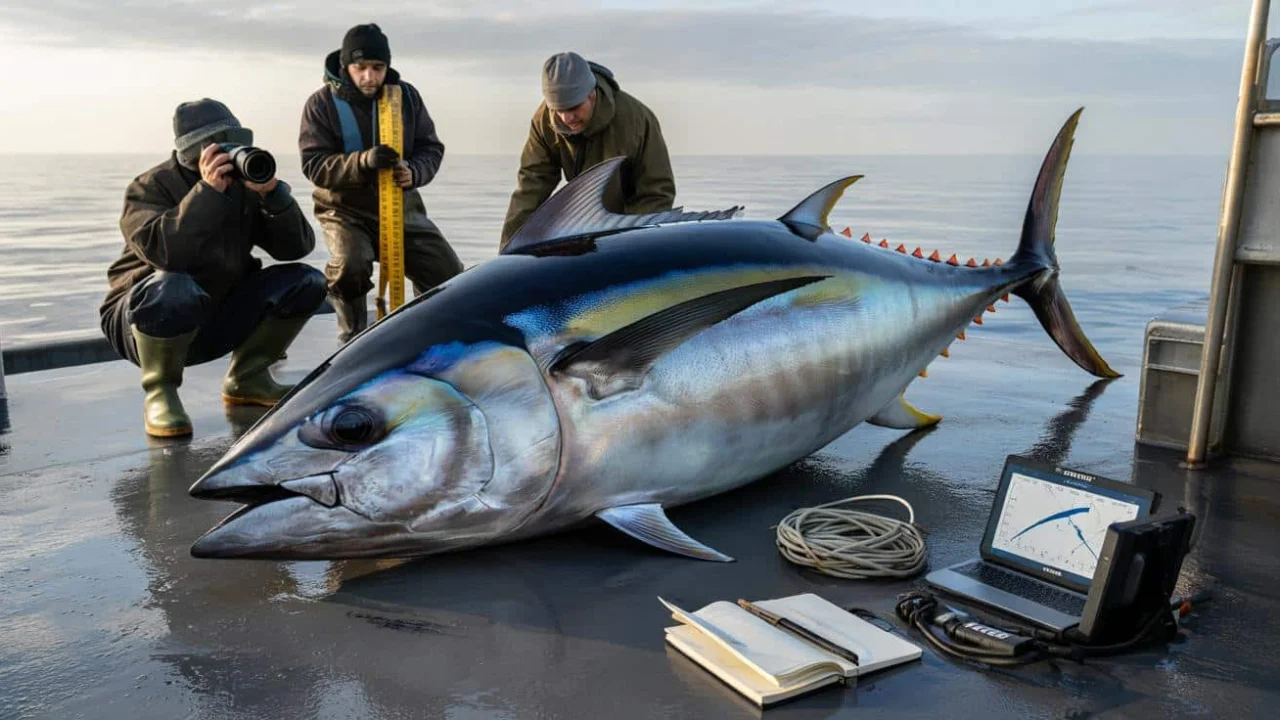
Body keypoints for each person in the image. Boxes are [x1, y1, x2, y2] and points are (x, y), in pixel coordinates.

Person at [99, 99, 328, 439]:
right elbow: (165, 254)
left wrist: (273, 196)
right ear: (193, 152)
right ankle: (160, 392)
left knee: (305, 281)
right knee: (173, 285)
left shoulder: (243, 185)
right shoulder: (149, 187)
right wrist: (207, 192)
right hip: (143, 318)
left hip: (215, 309)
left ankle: (247, 378)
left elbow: (296, 248)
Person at [299, 23, 463, 343]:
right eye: (360, 67)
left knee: (448, 272)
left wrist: (414, 172)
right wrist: (362, 162)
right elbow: (314, 165)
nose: (369, 77)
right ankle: (352, 340)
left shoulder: (408, 97)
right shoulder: (320, 104)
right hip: (342, 210)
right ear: (346, 66)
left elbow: (431, 148)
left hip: (402, 206)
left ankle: (428, 338)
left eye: (377, 67)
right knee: (350, 264)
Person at [500, 51, 676, 250]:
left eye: (574, 107)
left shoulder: (636, 120)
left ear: (592, 94)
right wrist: (508, 253)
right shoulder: (544, 122)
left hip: (631, 229)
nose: (567, 118)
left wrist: (625, 241)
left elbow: (656, 192)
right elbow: (530, 191)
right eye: (560, 110)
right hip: (581, 225)